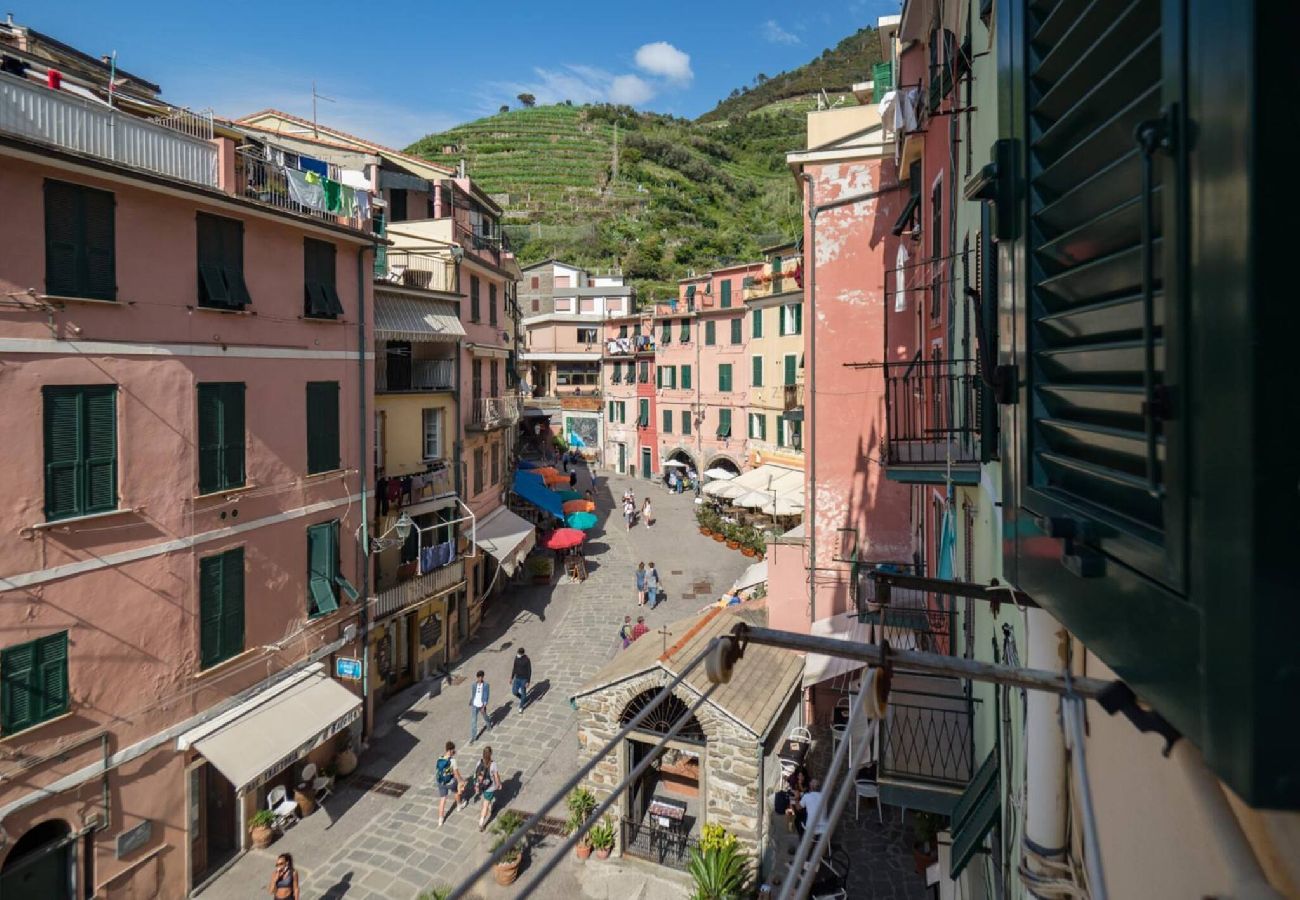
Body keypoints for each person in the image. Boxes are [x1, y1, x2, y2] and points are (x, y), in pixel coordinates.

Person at [473, 746, 502, 832]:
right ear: (490, 754)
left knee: (487, 798)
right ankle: (481, 822)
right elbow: (496, 776)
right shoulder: (493, 764)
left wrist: (476, 785)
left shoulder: (479, 762)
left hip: (481, 785)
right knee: (485, 804)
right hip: (489, 787)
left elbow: (476, 774)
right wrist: (498, 784)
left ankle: (490, 807)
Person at [436, 741, 464, 827]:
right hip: (450, 782)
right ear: (451, 750)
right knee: (456, 792)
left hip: (441, 782)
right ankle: (459, 806)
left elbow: (438, 770)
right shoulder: (452, 761)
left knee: (442, 800)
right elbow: (456, 773)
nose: (454, 752)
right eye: (453, 750)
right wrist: (461, 781)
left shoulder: (439, 758)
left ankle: (440, 819)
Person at [469, 670, 491, 743]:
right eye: (479, 677)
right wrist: (471, 701)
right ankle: (473, 737)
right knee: (473, 721)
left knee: (485, 716)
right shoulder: (474, 685)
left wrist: (484, 705)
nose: (480, 679)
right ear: (477, 677)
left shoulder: (486, 685)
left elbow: (486, 695)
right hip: (475, 705)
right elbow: (473, 694)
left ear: (483, 677)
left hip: (481, 705)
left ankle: (488, 724)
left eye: (481, 677)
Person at [511, 648, 532, 712]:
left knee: (523, 693)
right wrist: (511, 677)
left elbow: (529, 671)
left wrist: (528, 681)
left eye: (519, 653)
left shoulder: (527, 660)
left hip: (524, 679)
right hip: (517, 678)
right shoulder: (516, 658)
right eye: (518, 653)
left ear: (522, 654)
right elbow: (514, 667)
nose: (518, 654)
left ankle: (521, 706)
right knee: (514, 692)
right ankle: (523, 698)